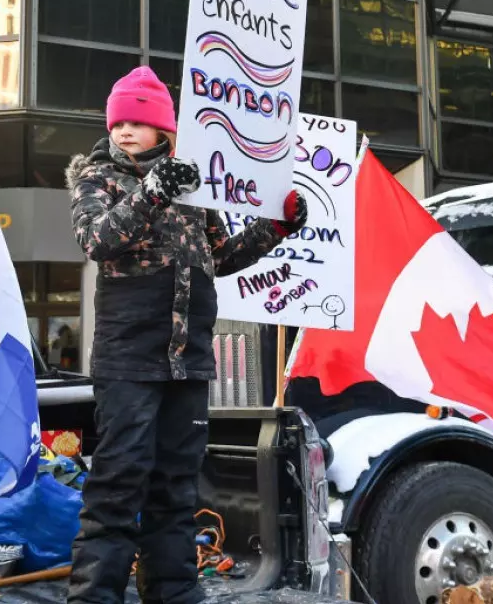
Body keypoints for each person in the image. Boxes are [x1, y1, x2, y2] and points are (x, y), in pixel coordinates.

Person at [65, 65, 308, 604]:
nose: (124, 131)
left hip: (188, 361)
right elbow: (97, 240)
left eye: (137, 121)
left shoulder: (197, 188)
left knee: (176, 488)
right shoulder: (97, 177)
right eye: (118, 121)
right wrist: (152, 191)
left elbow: (220, 258)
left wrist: (276, 227)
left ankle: (173, 594)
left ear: (164, 130)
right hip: (129, 358)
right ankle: (93, 597)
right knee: (118, 484)